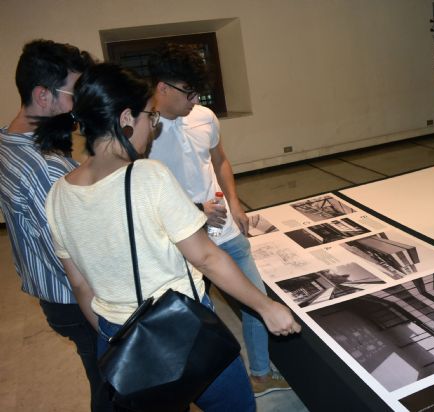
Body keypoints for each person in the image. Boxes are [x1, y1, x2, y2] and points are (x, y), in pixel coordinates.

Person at [39, 62, 301, 411]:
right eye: (151, 117)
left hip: (114, 338)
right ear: (127, 118)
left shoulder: (58, 194)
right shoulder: (148, 176)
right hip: (183, 333)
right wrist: (266, 306)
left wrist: (117, 335)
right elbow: (206, 257)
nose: (154, 127)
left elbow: (82, 286)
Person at [147, 44, 289, 396]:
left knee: (257, 299)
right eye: (189, 92)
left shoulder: (205, 117)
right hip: (181, 243)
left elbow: (220, 160)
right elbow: (144, 197)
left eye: (199, 92)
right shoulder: (141, 131)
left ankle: (260, 373)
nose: (195, 100)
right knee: (192, 318)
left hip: (225, 231)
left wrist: (236, 205)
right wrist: (195, 212)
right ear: (163, 87)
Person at [0, 39, 111, 411]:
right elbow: (80, 256)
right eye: (73, 94)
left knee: (102, 376)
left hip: (49, 291)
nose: (78, 105)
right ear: (43, 96)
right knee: (113, 385)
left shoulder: (8, 140)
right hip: (76, 300)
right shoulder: (47, 167)